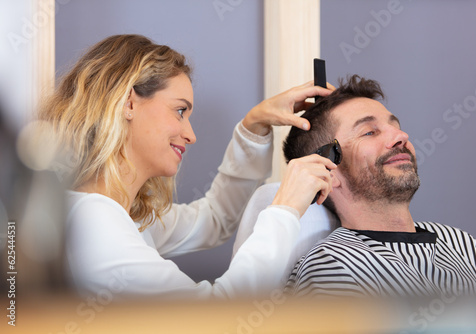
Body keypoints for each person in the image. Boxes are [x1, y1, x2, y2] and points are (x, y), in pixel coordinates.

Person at [37, 34, 336, 299]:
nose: (191, 135)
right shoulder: (93, 219)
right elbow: (212, 319)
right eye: (180, 111)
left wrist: (254, 124)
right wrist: (285, 209)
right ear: (129, 103)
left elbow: (214, 220)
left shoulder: (128, 217)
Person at [283, 74, 476, 298]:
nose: (401, 136)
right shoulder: (331, 267)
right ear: (328, 169)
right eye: (369, 132)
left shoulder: (462, 244)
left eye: (396, 127)